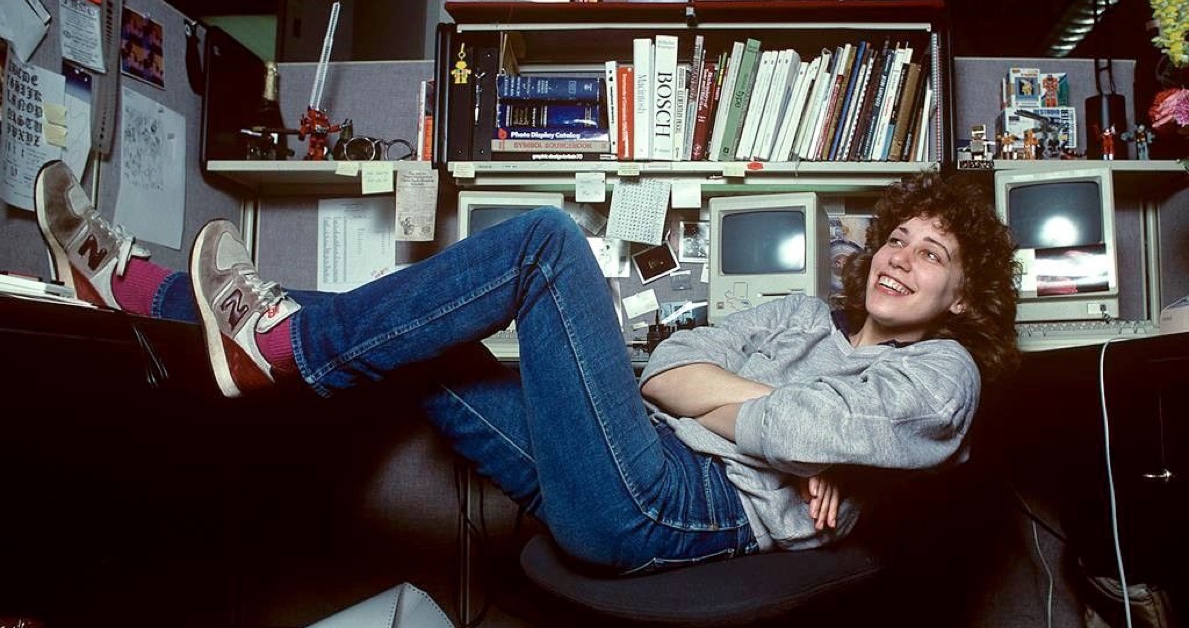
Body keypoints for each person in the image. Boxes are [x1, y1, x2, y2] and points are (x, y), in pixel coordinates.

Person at [33, 161, 1019, 574]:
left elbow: (793, 428)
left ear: (961, 296)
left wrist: (790, 432)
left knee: (544, 244)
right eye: (898, 237)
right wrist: (797, 434)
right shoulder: (802, 312)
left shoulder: (943, 374)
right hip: (630, 454)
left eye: (933, 252)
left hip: (674, 504)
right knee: (415, 338)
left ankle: (276, 349)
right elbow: (666, 369)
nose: (900, 256)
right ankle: (133, 287)